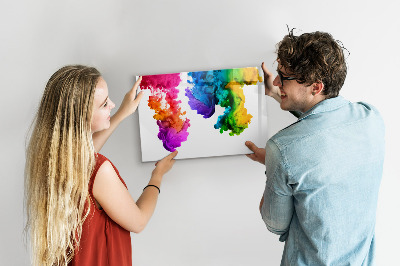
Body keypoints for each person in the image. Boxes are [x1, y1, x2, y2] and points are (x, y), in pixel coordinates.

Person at [245, 30, 385, 265]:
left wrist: (273, 163)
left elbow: (274, 224)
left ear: (316, 87)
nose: (277, 81)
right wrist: (278, 94)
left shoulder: (282, 149)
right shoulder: (371, 118)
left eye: (284, 77)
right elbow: (324, 123)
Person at [24, 65, 177, 266]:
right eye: (105, 104)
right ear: (81, 117)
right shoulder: (100, 170)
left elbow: (85, 156)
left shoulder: (53, 159)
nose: (112, 104)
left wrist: (122, 113)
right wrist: (157, 175)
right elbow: (138, 221)